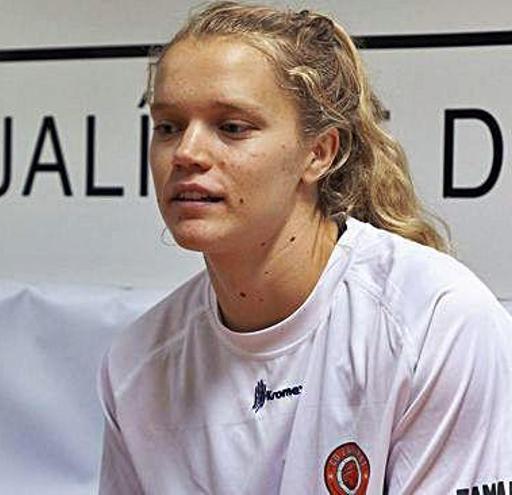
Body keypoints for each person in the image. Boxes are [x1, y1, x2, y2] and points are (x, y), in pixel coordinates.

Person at [98, 2, 512, 493]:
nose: (186, 153)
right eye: (168, 126)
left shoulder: (436, 322)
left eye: (232, 127)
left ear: (319, 153)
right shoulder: (138, 361)